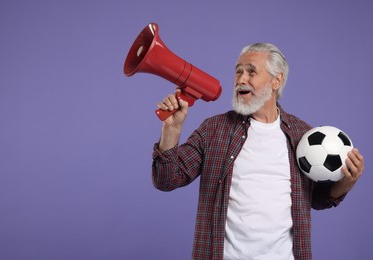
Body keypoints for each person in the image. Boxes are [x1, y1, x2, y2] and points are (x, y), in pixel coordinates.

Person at [151, 43, 364, 260]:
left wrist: (346, 183)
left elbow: (315, 199)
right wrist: (172, 130)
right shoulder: (214, 130)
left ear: (276, 80)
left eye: (251, 72)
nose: (241, 79)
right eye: (238, 71)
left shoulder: (303, 136)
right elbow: (166, 180)